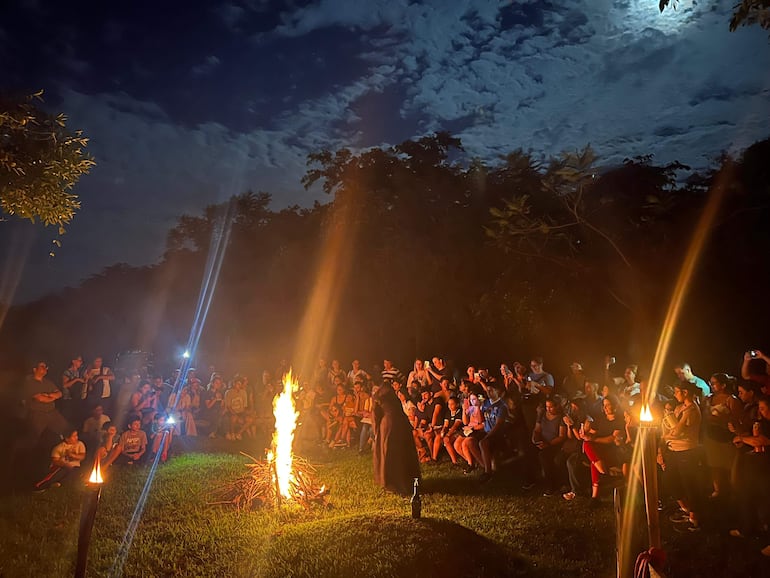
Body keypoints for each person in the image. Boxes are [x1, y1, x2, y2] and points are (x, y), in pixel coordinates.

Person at [13, 361, 70, 463]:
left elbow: (59, 393)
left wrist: (49, 395)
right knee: (32, 439)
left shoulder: (48, 382)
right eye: (42, 367)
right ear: (35, 369)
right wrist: (51, 396)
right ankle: (20, 459)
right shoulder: (29, 382)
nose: (45, 369)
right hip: (38, 414)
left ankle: (67, 456)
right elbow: (41, 398)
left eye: (46, 367)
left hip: (52, 412)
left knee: (67, 430)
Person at [372, 382, 420, 496]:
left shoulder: (378, 399)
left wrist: (376, 432)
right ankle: (405, 481)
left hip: (387, 426)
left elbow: (375, 415)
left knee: (389, 454)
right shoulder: (393, 398)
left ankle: (391, 482)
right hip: (400, 425)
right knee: (401, 454)